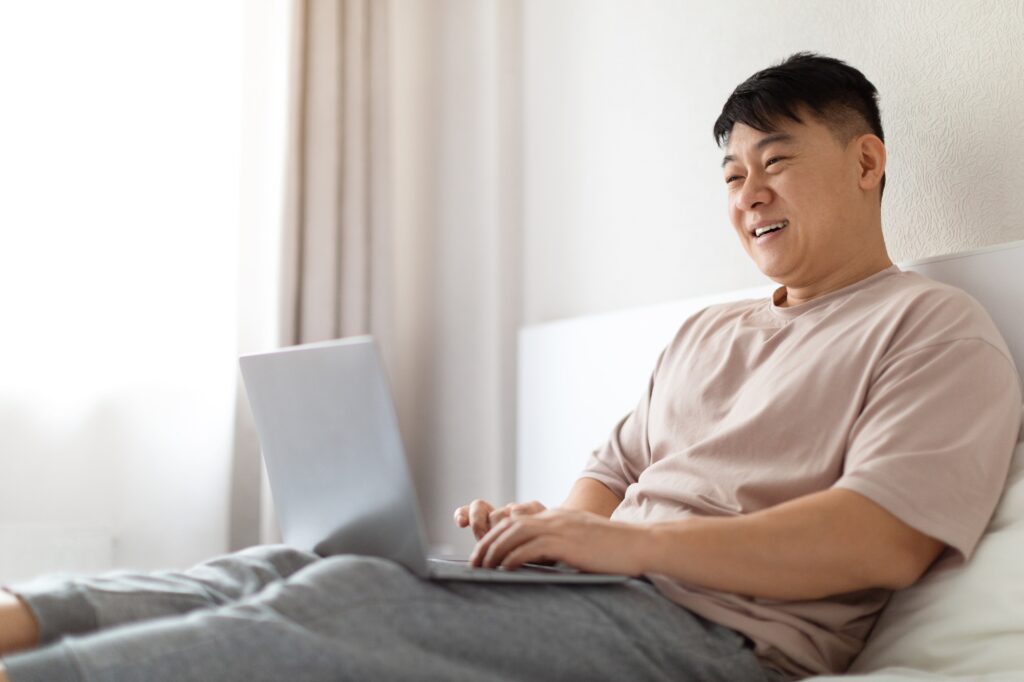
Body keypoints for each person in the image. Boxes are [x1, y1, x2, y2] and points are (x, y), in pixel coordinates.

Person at [1, 52, 1020, 682]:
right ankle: (24, 618)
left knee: (353, 603)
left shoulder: (933, 328)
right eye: (731, 173)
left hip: (715, 640)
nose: (748, 192)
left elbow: (881, 539)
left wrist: (624, 551)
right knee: (300, 564)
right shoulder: (710, 331)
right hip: (607, 592)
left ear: (867, 161)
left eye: (776, 160)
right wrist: (553, 531)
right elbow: (614, 471)